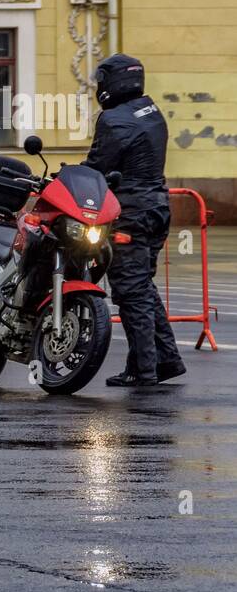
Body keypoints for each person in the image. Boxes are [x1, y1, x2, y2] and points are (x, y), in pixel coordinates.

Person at [83, 53, 184, 387]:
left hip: (130, 214)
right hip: (157, 209)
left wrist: (73, 174)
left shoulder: (114, 119)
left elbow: (98, 165)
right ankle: (166, 358)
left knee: (130, 292)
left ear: (112, 83)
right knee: (143, 288)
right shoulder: (151, 111)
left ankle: (142, 370)